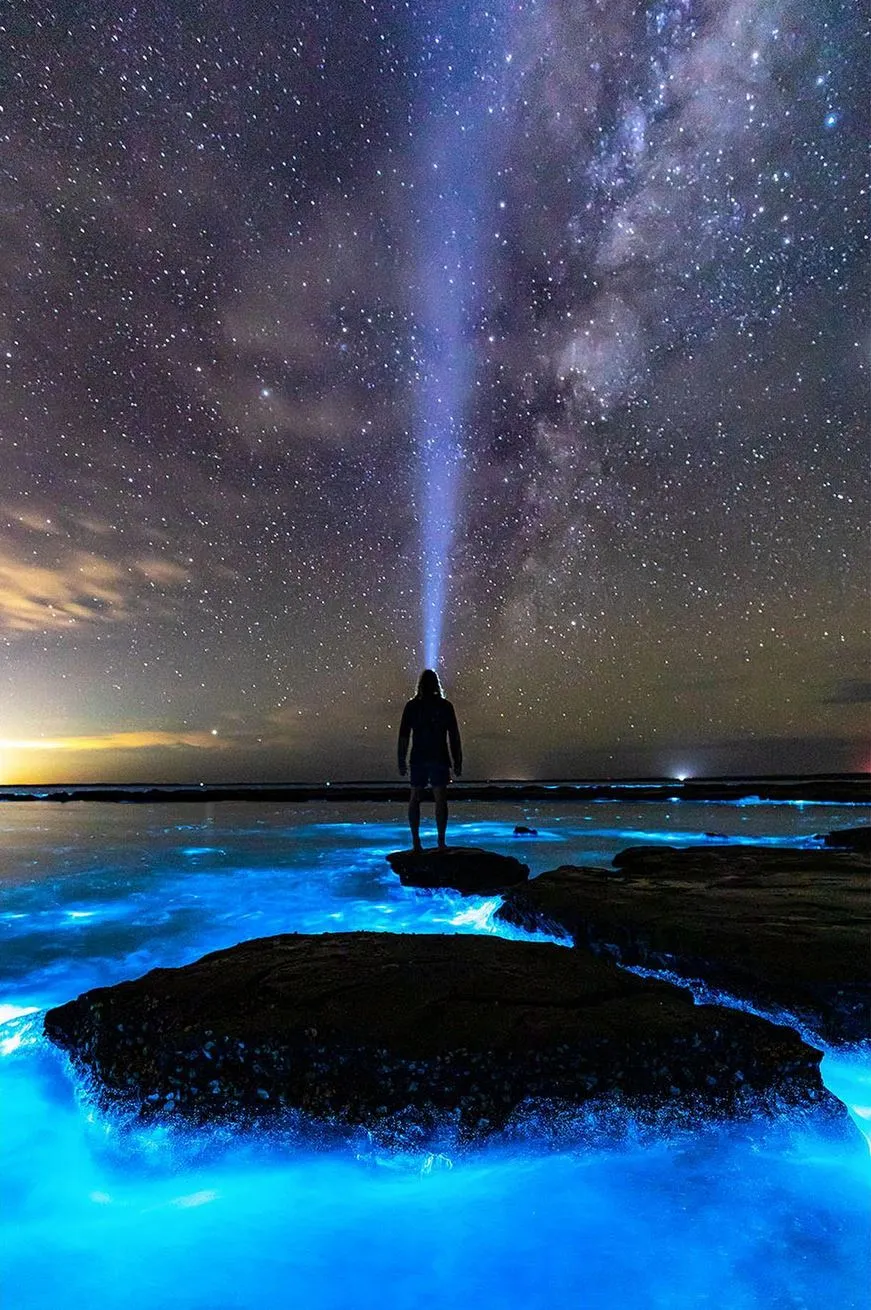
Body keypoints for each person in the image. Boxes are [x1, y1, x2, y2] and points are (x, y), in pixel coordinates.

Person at [397, 669, 463, 852]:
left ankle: (416, 842)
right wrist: (458, 760)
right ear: (436, 684)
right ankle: (441, 842)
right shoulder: (445, 706)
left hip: (419, 757)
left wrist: (401, 759)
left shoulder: (412, 707)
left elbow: (403, 736)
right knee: (440, 799)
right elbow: (454, 737)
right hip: (439, 757)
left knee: (415, 798)